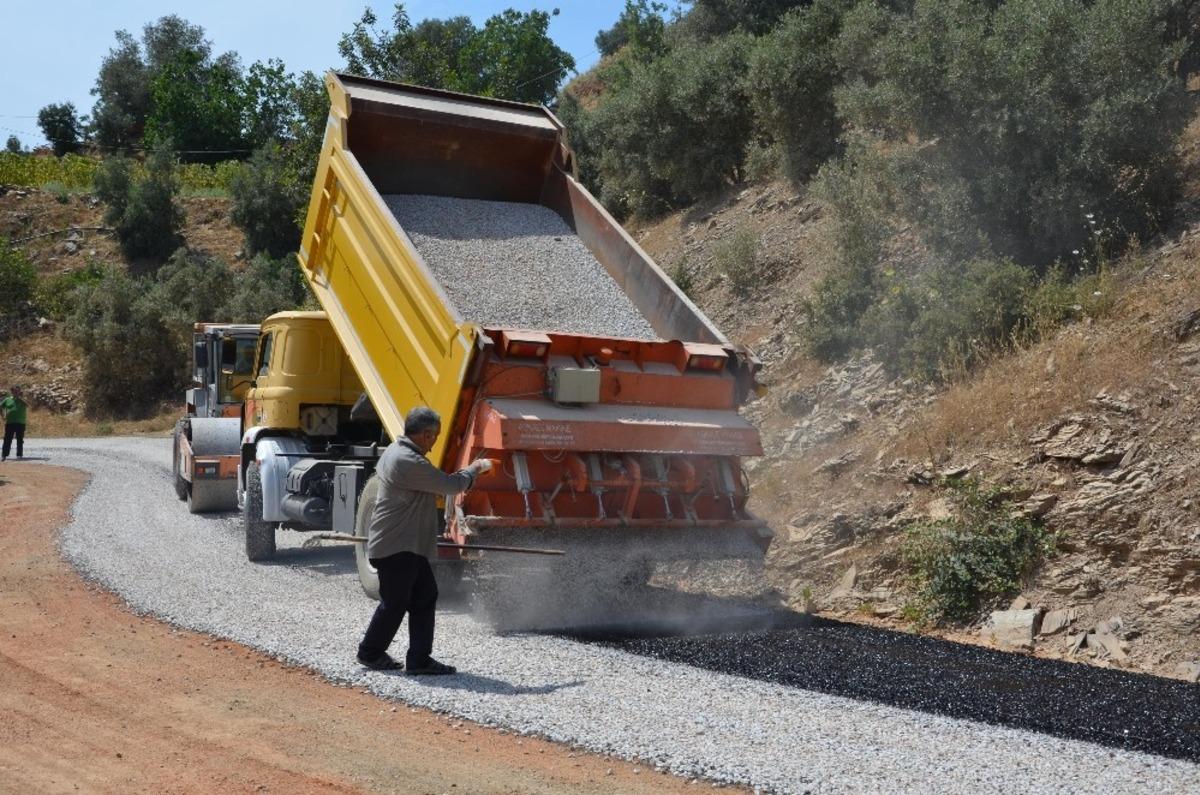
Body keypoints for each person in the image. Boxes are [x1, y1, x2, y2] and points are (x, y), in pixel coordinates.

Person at [356, 406, 491, 674]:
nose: (435, 442)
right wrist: (475, 468)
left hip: (404, 544)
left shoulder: (397, 451)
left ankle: (418, 660)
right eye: (435, 436)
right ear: (426, 434)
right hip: (397, 545)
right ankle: (371, 652)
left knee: (424, 595)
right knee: (396, 602)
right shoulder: (408, 460)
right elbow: (451, 485)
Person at [1, 385, 27, 462]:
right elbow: (1, 406)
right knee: (7, 439)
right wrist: (3, 415)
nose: (16, 393)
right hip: (10, 422)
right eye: (14, 391)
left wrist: (19, 398)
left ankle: (19, 454)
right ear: (12, 392)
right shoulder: (7, 399)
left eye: (17, 391)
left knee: (20, 439)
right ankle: (4, 455)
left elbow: (28, 405)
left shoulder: (22, 399)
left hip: (21, 422)